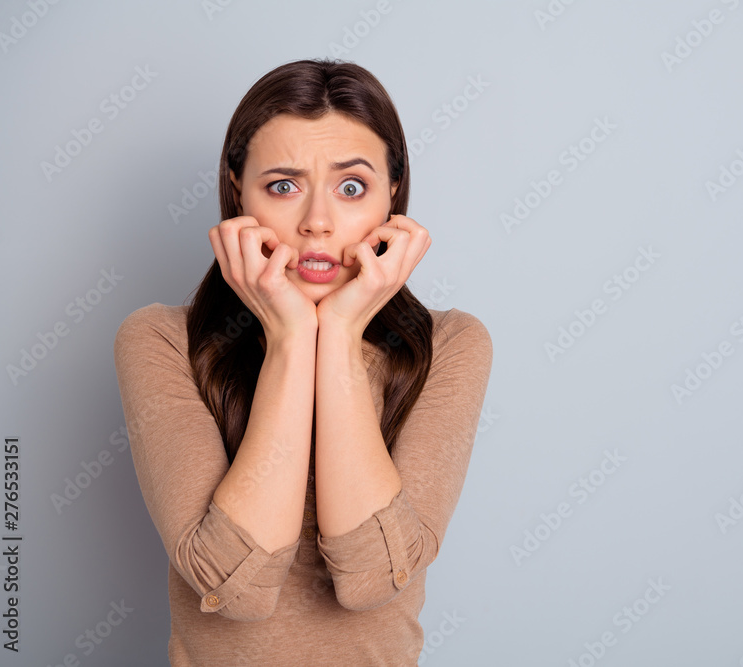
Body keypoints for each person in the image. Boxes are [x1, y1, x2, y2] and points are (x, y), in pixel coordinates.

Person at [112, 58, 493, 666]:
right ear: (238, 190)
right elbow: (233, 587)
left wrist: (338, 332)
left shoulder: (450, 346)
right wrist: (292, 339)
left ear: (393, 192)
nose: (317, 221)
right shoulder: (160, 341)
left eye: (351, 188)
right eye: (283, 186)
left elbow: (370, 580)